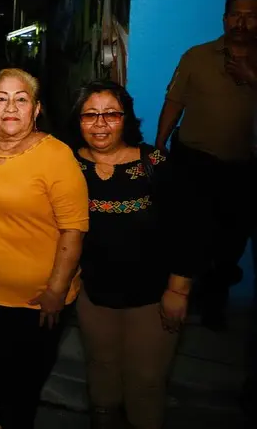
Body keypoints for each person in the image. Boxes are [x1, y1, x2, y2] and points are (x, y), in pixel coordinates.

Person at [0, 68, 88, 429]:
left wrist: (57, 290)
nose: (10, 107)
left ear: (36, 109)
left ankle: (14, 422)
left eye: (21, 99)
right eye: (1, 98)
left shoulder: (57, 156)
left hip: (35, 300)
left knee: (25, 379)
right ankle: (6, 418)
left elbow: (73, 230)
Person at [68, 80, 199, 429]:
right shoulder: (66, 165)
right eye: (90, 115)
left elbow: (187, 230)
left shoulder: (155, 163)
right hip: (93, 295)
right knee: (101, 373)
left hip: (153, 298)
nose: (100, 123)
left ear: (125, 118)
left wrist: (178, 290)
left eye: (111, 114)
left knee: (146, 381)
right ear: (78, 121)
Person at [155, 0, 257, 330]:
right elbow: (174, 103)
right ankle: (183, 295)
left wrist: (251, 77)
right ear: (225, 19)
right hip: (195, 161)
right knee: (188, 231)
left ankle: (215, 300)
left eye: (250, 15)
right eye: (235, 15)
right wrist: (159, 145)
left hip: (244, 167)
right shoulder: (197, 56)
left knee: (231, 242)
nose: (242, 22)